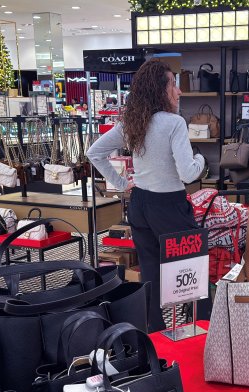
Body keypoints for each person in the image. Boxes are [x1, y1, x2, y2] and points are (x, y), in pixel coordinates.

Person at [87, 59, 205, 333]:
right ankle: (197, 328)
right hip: (170, 206)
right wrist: (201, 160)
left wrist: (121, 183)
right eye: (173, 84)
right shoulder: (174, 123)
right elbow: (188, 174)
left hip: (140, 204)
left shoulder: (132, 123)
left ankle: (155, 332)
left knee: (151, 271)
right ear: (160, 89)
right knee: (191, 269)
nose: (179, 91)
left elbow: (94, 153)